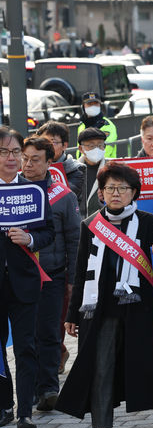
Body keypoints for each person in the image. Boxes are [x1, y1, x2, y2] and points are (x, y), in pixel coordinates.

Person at [55, 161, 153, 428]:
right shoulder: (91, 225)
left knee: (146, 363)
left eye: (123, 188)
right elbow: (81, 270)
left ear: (134, 192)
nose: (116, 193)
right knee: (102, 368)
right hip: (101, 310)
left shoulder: (147, 222)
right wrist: (73, 314)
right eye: (110, 188)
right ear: (102, 193)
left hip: (140, 308)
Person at [0, 127, 55, 428]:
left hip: (25, 281)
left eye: (14, 152)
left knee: (26, 347)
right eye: (4, 152)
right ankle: (4, 406)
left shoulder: (33, 191)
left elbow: (49, 232)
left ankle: (25, 413)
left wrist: (30, 238)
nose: (11, 159)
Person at [20, 137, 80, 413]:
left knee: (48, 332)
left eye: (35, 159)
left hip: (54, 274)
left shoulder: (64, 197)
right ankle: (28, 389)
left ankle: (48, 388)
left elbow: (74, 240)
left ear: (48, 163)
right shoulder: (9, 192)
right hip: (18, 275)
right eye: (24, 158)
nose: (28, 164)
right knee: (25, 335)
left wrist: (72, 281)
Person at [38, 121, 88, 217]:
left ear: (64, 145)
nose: (47, 146)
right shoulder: (30, 167)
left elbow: (64, 198)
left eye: (53, 142)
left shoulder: (77, 169)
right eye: (43, 142)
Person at [76, 127, 109, 217]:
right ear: (81, 149)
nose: (96, 149)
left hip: (103, 224)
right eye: (91, 146)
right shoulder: (73, 170)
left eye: (100, 145)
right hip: (79, 225)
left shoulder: (111, 170)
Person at [76, 92, 118, 159]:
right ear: (83, 106)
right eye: (89, 104)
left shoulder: (107, 125)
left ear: (100, 105)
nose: (93, 106)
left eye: (96, 104)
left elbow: (106, 150)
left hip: (105, 164)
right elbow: (79, 150)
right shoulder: (82, 125)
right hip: (84, 164)